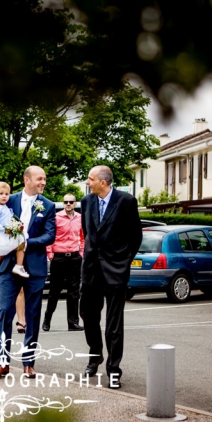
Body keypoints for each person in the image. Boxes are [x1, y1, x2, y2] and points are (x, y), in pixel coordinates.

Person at [80, 165, 142, 390]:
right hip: (91, 270)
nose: (88, 182)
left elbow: (135, 236)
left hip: (115, 271)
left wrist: (123, 261)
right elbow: (87, 234)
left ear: (103, 182)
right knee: (87, 315)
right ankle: (95, 356)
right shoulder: (86, 203)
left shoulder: (126, 201)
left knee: (114, 323)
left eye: (90, 178)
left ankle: (114, 370)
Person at [0, 166, 55, 380]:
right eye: (39, 179)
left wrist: (26, 243)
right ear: (27, 180)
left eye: (44, 179)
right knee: (5, 312)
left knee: (33, 315)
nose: (43, 182)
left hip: (35, 267)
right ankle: (2, 362)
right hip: (9, 264)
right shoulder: (8, 199)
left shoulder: (48, 205)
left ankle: (29, 363)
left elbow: (49, 236)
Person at [43, 193, 85, 332]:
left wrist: (81, 252)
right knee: (55, 290)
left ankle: (73, 323)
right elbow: (50, 236)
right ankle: (47, 320)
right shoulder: (56, 218)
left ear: (75, 204)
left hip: (74, 256)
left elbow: (83, 237)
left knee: (74, 291)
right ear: (63, 203)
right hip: (59, 257)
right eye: (66, 201)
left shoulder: (80, 218)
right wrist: (50, 254)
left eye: (71, 202)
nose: (68, 204)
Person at [0, 181, 29, 287]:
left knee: (1, 254)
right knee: (22, 242)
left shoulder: (3, 206)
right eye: (1, 194)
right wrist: (5, 230)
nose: (4, 196)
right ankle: (18, 266)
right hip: (3, 233)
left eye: (6, 194)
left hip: (7, 232)